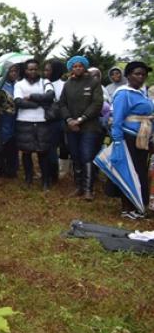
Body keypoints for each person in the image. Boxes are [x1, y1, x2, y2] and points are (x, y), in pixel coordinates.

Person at [107, 61, 153, 219]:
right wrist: (118, 142)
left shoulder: (141, 93)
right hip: (128, 138)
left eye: (143, 74)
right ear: (128, 76)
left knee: (139, 172)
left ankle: (136, 205)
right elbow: (117, 119)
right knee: (129, 172)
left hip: (141, 137)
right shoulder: (123, 94)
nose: (141, 77)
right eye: (137, 74)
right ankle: (126, 208)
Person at [58, 55, 103, 200]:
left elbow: (97, 104)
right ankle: (78, 186)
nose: (77, 68)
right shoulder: (68, 84)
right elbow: (62, 103)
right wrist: (69, 120)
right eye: (74, 66)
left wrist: (81, 119)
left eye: (80, 66)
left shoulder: (94, 82)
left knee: (86, 155)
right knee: (75, 155)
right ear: (71, 68)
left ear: (84, 67)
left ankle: (88, 189)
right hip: (71, 126)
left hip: (88, 126)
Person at [13, 59, 55, 191]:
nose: (33, 71)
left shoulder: (45, 82)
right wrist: (38, 103)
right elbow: (18, 102)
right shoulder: (19, 84)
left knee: (43, 152)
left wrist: (31, 96)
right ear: (25, 71)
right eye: (30, 69)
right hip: (24, 121)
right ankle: (28, 178)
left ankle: (45, 181)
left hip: (42, 121)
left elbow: (50, 96)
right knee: (26, 152)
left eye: (35, 69)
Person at [44, 59, 67, 184]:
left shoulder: (62, 85)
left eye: (48, 70)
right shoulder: (44, 83)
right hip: (47, 119)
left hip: (55, 121)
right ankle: (50, 173)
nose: (45, 72)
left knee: (52, 148)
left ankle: (52, 175)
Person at [0, 62, 19, 179]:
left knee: (13, 144)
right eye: (11, 71)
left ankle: (12, 169)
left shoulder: (18, 85)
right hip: (3, 118)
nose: (14, 74)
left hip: (16, 118)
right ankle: (1, 169)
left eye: (16, 71)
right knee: (2, 142)